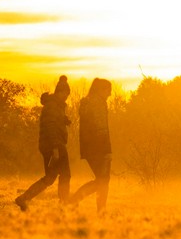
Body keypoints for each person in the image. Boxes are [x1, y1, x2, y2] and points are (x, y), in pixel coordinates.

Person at [15, 75, 71, 211]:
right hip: (54, 145)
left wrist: (64, 120)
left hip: (51, 145)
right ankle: (63, 204)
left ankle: (24, 199)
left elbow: (54, 122)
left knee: (51, 177)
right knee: (65, 175)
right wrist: (56, 148)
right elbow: (50, 128)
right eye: (65, 94)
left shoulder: (55, 106)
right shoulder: (52, 106)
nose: (66, 97)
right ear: (59, 92)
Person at [70, 77, 112, 214]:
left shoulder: (88, 103)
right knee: (103, 180)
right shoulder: (98, 104)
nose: (110, 94)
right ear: (101, 90)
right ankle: (98, 209)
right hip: (100, 148)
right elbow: (102, 129)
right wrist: (107, 150)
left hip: (88, 148)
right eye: (108, 90)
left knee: (101, 179)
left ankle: (76, 201)